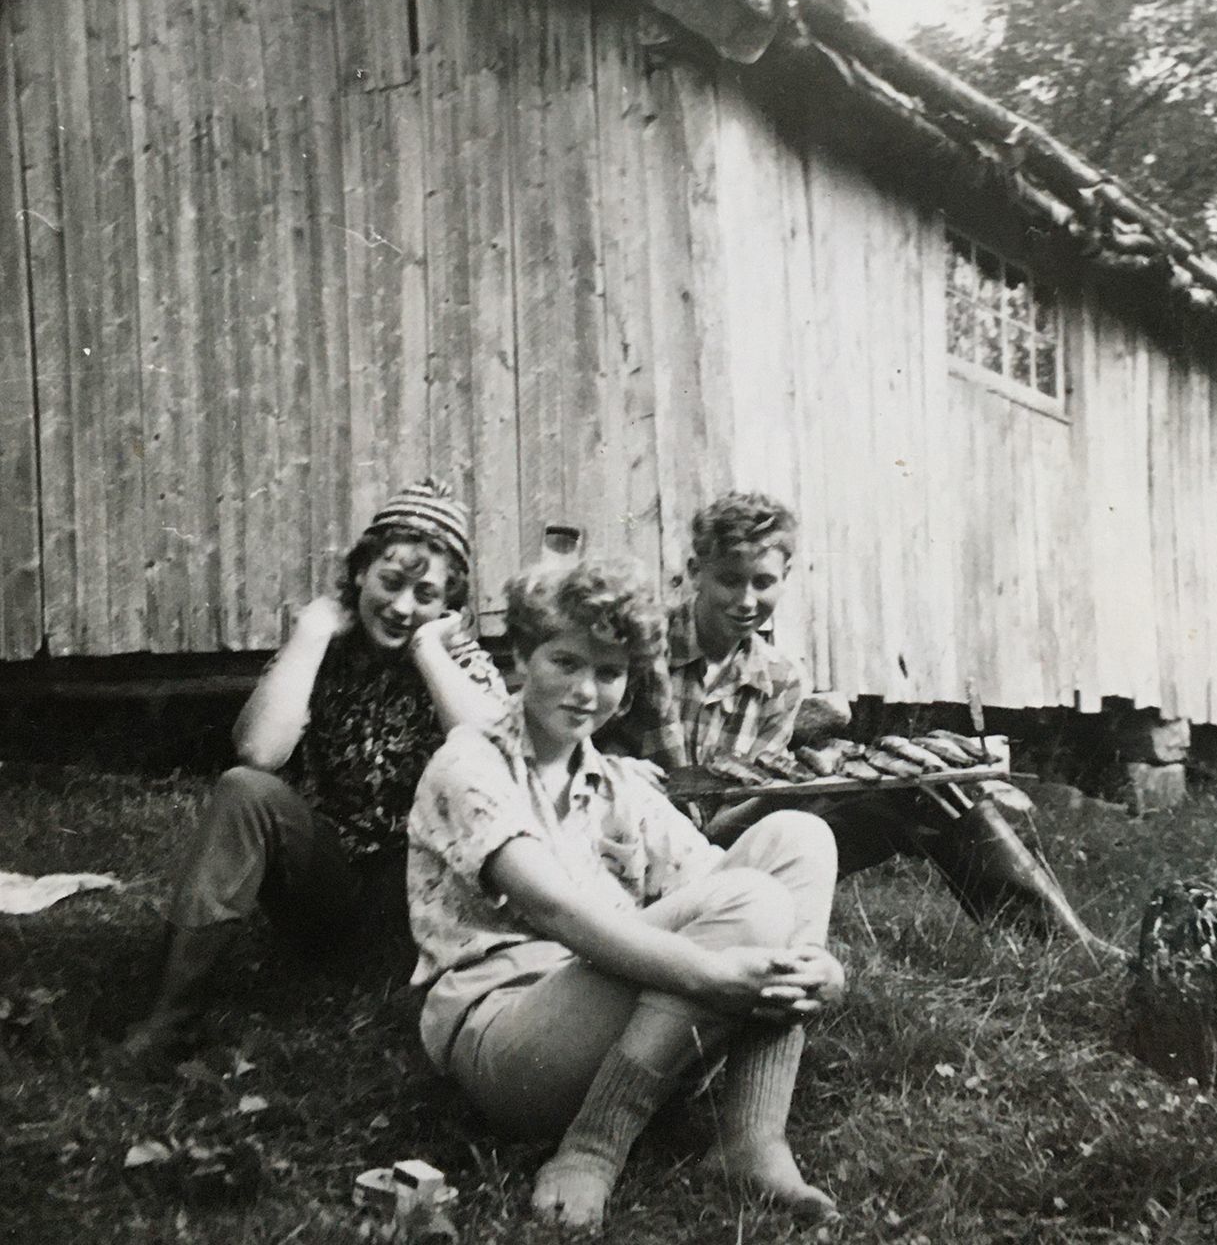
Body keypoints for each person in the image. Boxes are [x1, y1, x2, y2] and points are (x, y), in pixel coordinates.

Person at [407, 560, 842, 1231]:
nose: (586, 692)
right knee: (750, 903)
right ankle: (592, 1147)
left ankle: (753, 1138)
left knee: (798, 837)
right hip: (510, 1039)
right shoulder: (470, 762)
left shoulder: (619, 784)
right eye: (565, 662)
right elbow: (553, 910)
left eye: (609, 674)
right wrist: (707, 972)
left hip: (630, 1018)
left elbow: (732, 892)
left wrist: (825, 974)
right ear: (520, 656)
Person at [603, 491, 1119, 959]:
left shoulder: (779, 678)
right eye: (729, 580)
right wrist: (618, 769)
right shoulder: (636, 646)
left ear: (785, 577)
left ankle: (1065, 946)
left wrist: (806, 787)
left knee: (926, 788)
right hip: (636, 849)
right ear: (696, 572)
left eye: (763, 583)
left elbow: (737, 809)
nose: (745, 601)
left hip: (726, 844)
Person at [117, 478, 506, 1066]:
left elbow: (496, 755)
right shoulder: (323, 651)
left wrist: (429, 652)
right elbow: (258, 753)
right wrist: (311, 632)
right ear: (358, 575)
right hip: (327, 888)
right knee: (243, 791)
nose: (402, 607)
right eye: (390, 582)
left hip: (424, 907)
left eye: (425, 594)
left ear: (449, 604)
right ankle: (172, 1016)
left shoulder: (463, 665)